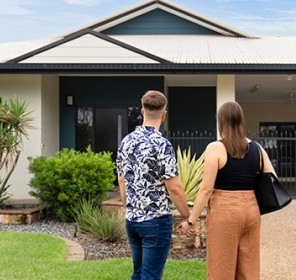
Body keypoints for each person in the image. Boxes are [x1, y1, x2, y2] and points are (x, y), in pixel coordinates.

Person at [180, 101, 277, 280]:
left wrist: (191, 221)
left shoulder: (216, 148)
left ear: (221, 121)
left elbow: (206, 189)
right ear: (241, 120)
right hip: (251, 209)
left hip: (225, 211)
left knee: (221, 268)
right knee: (249, 268)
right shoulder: (257, 148)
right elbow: (272, 178)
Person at [116, 90, 190, 280]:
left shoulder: (125, 142)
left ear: (142, 111)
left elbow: (122, 179)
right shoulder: (162, 145)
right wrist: (188, 216)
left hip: (132, 220)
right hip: (155, 221)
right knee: (150, 276)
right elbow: (174, 187)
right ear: (164, 115)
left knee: (138, 273)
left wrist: (128, 207)